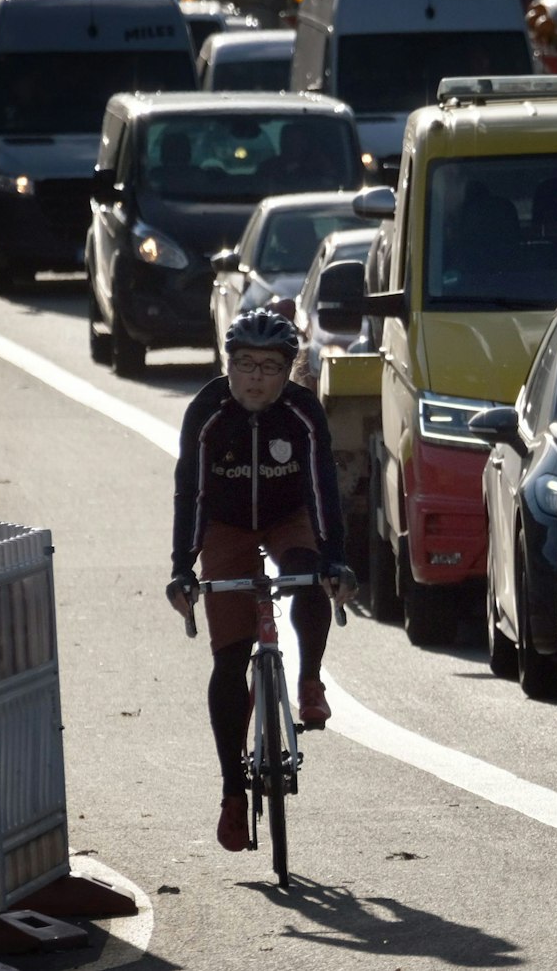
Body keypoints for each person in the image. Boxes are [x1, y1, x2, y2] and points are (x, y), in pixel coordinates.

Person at [166, 309, 357, 852]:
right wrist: (183, 567)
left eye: (270, 367)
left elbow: (324, 487)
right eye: (244, 364)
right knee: (230, 656)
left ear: (288, 371)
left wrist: (335, 558)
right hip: (225, 525)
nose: (255, 377)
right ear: (228, 365)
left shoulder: (302, 412)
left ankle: (309, 681)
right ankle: (232, 792)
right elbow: (191, 493)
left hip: (286, 515)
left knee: (309, 574)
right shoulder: (207, 411)